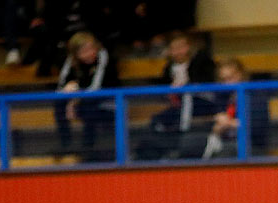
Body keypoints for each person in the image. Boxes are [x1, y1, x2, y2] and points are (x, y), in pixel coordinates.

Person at [135, 30, 216, 161]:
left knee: (187, 97)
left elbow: (206, 81)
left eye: (181, 47)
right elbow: (163, 87)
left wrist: (186, 86)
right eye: (174, 48)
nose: (178, 51)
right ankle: (161, 147)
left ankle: (184, 131)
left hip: (203, 100)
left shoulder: (201, 61)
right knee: (157, 120)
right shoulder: (169, 68)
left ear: (189, 47)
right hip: (179, 106)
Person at [52, 30, 119, 162]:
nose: (89, 53)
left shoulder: (104, 57)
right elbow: (61, 88)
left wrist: (74, 101)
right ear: (76, 54)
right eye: (84, 51)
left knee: (89, 106)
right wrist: (69, 89)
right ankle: (66, 144)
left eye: (91, 49)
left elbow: (96, 88)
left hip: (110, 101)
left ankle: (88, 148)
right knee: (59, 103)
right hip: (84, 101)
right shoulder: (71, 61)